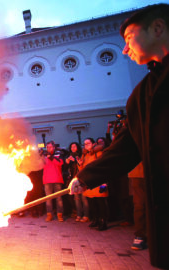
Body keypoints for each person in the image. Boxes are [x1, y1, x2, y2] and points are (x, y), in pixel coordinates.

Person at [69, 4, 169, 268]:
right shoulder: (142, 93)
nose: (125, 49)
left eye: (128, 38)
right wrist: (85, 177)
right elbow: (127, 146)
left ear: (158, 28)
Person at [78, 138, 108, 231]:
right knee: (92, 203)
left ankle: (103, 222)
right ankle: (95, 220)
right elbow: (82, 170)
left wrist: (104, 182)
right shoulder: (84, 155)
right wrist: (80, 164)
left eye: (88, 143)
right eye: (85, 144)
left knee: (101, 203)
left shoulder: (99, 153)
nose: (86, 145)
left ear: (93, 143)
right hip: (89, 182)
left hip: (98, 181)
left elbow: (104, 166)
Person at [41, 141, 64, 222]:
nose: (49, 148)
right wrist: (39, 156)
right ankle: (49, 215)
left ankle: (60, 215)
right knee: (48, 199)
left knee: (59, 198)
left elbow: (60, 163)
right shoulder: (44, 156)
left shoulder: (58, 154)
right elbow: (40, 165)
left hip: (57, 179)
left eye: (50, 147)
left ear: (54, 147)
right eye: (47, 147)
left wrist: (51, 158)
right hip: (47, 180)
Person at [65, 142, 88, 222]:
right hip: (73, 179)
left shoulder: (81, 155)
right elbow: (66, 167)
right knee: (76, 198)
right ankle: (78, 214)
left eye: (74, 146)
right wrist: (67, 161)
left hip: (81, 178)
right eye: (71, 147)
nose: (73, 148)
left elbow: (82, 165)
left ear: (78, 147)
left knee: (84, 198)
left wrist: (75, 160)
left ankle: (86, 215)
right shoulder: (69, 156)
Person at [128, 162, 147, 250]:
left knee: (140, 204)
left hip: (139, 171)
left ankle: (140, 237)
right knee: (140, 204)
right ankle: (140, 236)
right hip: (139, 172)